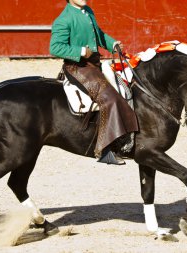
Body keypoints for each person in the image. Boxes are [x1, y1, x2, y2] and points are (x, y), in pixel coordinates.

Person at [50, 0, 138, 165]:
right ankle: (104, 149)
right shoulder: (64, 19)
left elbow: (98, 34)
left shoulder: (88, 11)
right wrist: (81, 51)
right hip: (77, 67)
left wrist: (112, 44)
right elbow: (55, 47)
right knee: (109, 99)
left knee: (124, 88)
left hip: (94, 64)